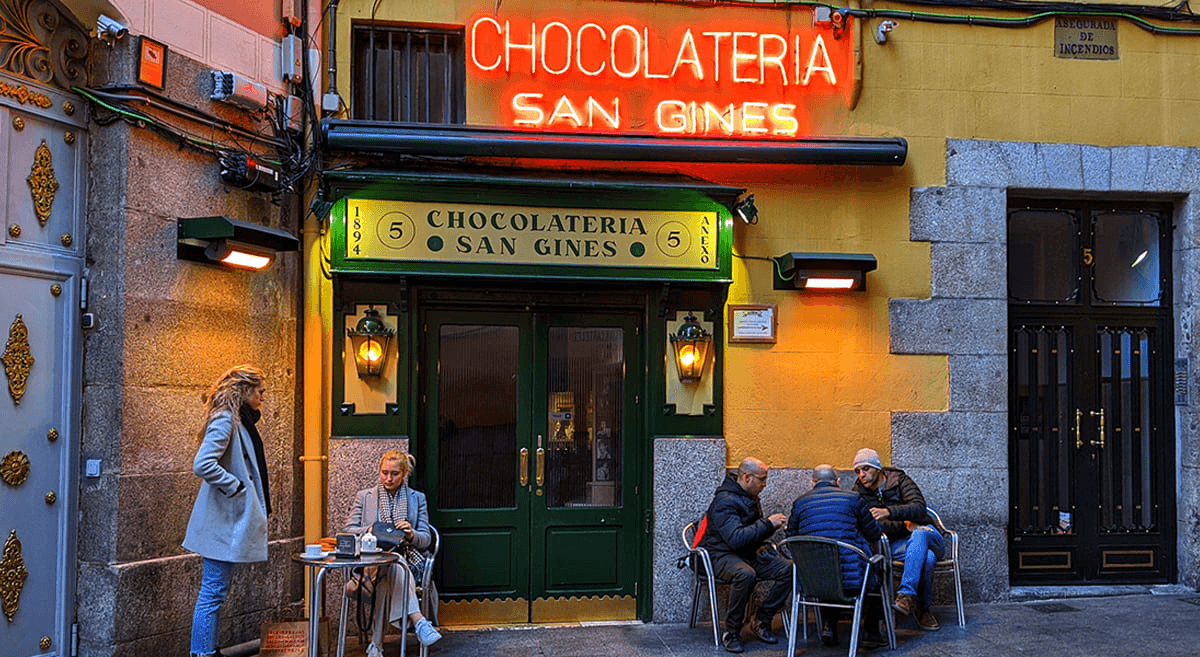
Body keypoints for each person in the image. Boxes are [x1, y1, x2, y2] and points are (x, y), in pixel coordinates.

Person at [183, 365, 271, 657]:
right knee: (213, 592)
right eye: (259, 392)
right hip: (223, 520)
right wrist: (235, 486)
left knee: (215, 591)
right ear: (245, 390)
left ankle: (207, 649)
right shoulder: (226, 420)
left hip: (226, 520)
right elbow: (202, 464)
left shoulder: (239, 421)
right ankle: (202, 652)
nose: (262, 398)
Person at [345, 450, 441, 655]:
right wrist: (371, 530)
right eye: (384, 472)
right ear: (379, 471)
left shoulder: (417, 499)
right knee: (390, 566)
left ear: (404, 473)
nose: (388, 478)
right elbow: (348, 530)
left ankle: (376, 646)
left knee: (392, 567)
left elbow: (426, 540)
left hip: (408, 561)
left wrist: (410, 534)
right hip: (371, 563)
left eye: (394, 473)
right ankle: (419, 621)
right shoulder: (365, 497)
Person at [698, 457, 792, 653]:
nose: (765, 484)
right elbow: (735, 539)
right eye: (763, 479)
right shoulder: (725, 501)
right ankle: (731, 632)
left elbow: (749, 534)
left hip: (745, 552)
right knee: (745, 574)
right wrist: (768, 524)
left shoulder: (750, 496)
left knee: (790, 569)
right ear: (748, 477)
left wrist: (763, 540)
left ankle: (762, 619)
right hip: (720, 554)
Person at [786, 465, 886, 648]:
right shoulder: (853, 498)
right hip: (853, 580)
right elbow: (873, 534)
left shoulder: (800, 503)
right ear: (838, 482)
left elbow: (791, 538)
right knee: (873, 567)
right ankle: (871, 632)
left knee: (823, 565)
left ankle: (829, 626)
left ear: (812, 483)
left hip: (812, 581)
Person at [851, 447, 945, 632]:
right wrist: (904, 525)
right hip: (900, 543)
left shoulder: (899, 479)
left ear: (877, 468)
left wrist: (889, 512)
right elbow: (871, 526)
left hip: (928, 533)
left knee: (919, 534)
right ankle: (922, 609)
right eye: (858, 471)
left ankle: (906, 594)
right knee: (927, 559)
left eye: (866, 469)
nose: (862, 475)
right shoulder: (860, 492)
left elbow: (919, 508)